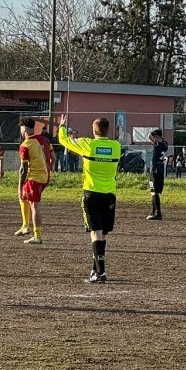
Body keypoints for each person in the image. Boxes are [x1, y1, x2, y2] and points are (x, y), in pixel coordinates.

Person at [58, 114, 120, 283]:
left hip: (91, 194)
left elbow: (64, 141)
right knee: (102, 234)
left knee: (95, 232)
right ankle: (96, 270)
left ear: (94, 131)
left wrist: (62, 128)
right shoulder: (116, 147)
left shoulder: (88, 145)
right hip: (109, 195)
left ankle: (100, 272)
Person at [15, 118, 53, 244]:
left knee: (34, 205)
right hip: (45, 175)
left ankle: (37, 235)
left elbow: (23, 169)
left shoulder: (25, 145)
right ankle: (25, 226)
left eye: (21, 128)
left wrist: (19, 186)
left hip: (34, 178)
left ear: (24, 129)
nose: (20, 130)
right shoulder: (42, 139)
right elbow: (51, 155)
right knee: (24, 198)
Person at [146, 129, 168, 220]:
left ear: (157, 137)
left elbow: (149, 136)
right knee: (155, 192)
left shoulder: (158, 144)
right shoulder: (165, 144)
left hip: (155, 170)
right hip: (161, 170)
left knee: (154, 192)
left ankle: (158, 213)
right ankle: (153, 212)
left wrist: (152, 134)